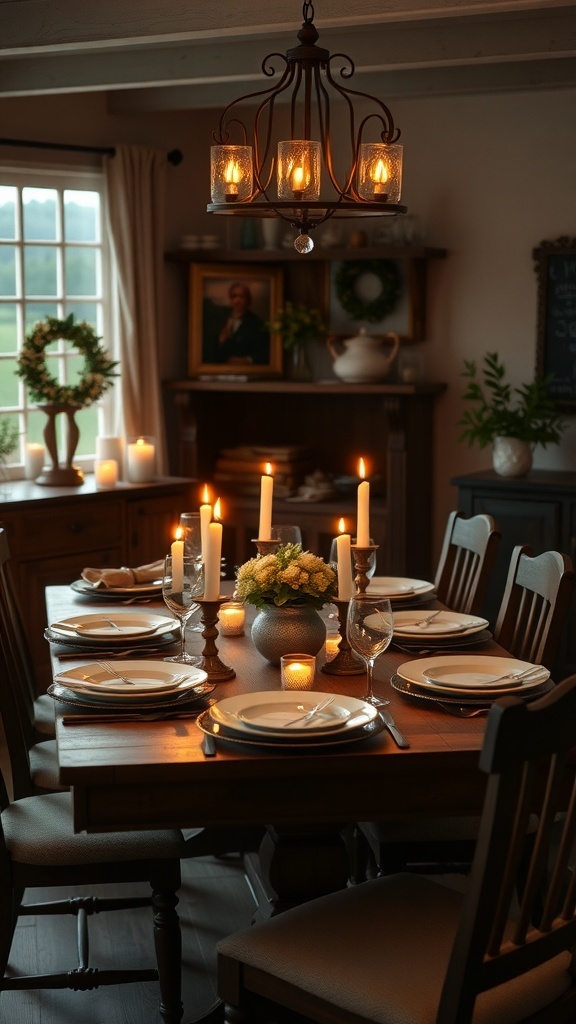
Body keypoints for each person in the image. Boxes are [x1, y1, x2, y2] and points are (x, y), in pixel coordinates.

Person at [208, 282, 270, 365]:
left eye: (241, 297)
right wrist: (220, 341)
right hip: (221, 370)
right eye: (234, 296)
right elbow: (211, 351)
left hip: (246, 371)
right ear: (230, 299)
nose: (237, 301)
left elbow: (264, 353)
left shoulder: (257, 324)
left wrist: (248, 360)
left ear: (248, 300)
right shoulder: (220, 320)